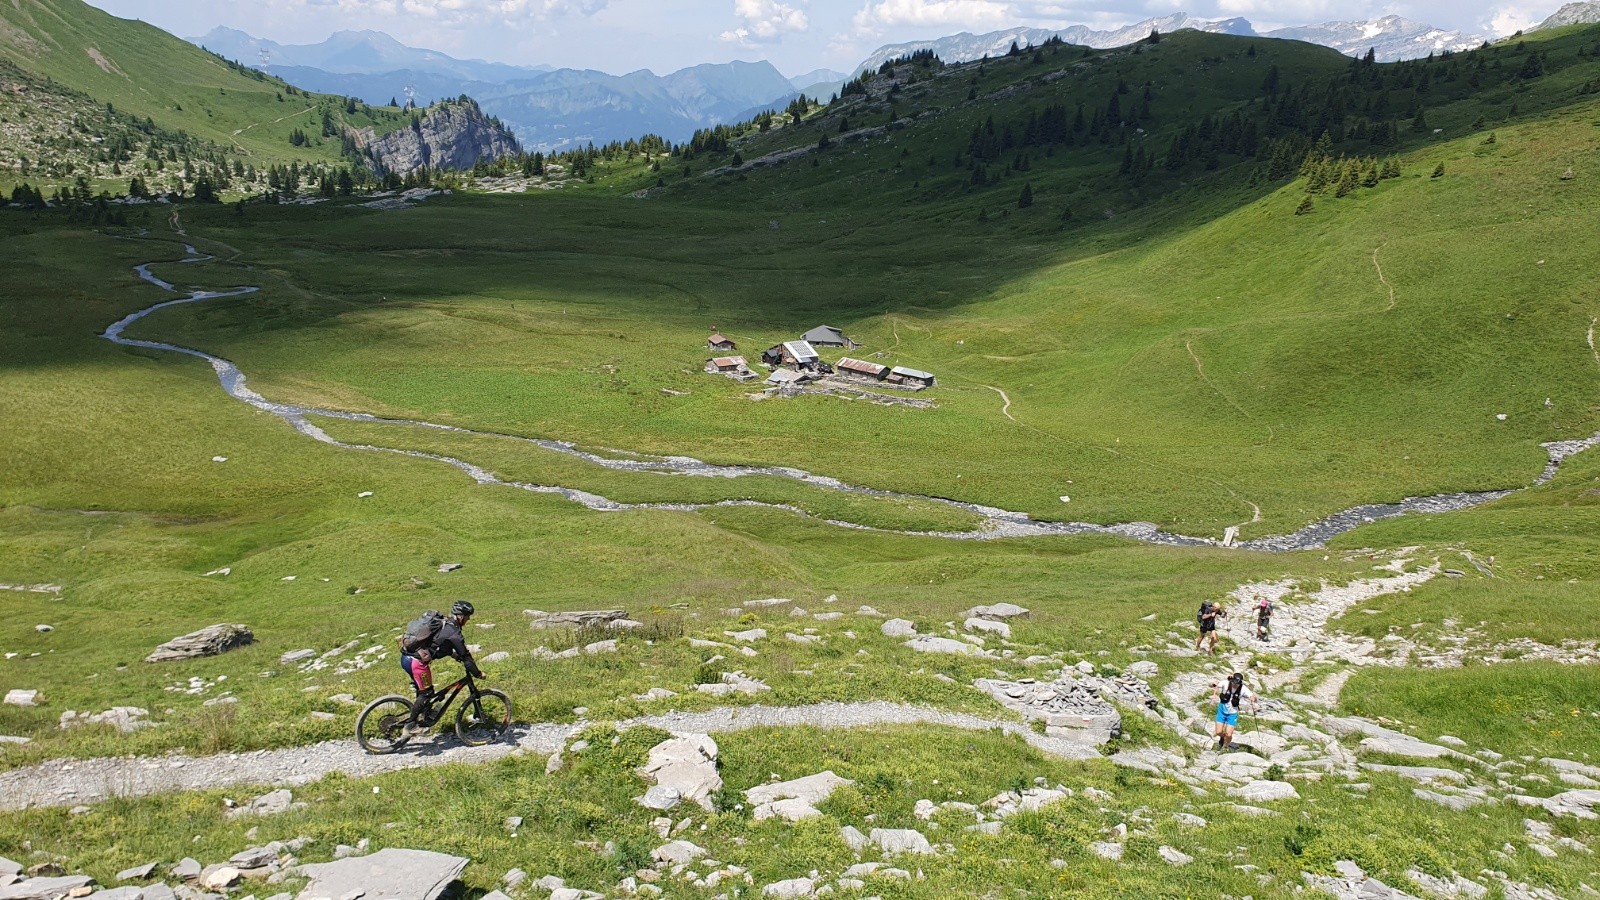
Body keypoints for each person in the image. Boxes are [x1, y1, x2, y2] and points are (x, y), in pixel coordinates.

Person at [399, 600, 486, 734]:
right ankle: (410, 726)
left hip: (407, 658)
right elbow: (466, 657)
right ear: (461, 616)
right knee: (426, 694)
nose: (468, 620)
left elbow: (439, 644)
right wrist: (478, 673)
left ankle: (423, 715)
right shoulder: (454, 632)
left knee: (428, 691)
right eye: (467, 617)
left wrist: (454, 656)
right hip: (416, 663)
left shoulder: (445, 623)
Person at [1213, 671, 1257, 750]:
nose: (1235, 685)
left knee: (1229, 734)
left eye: (1237, 683)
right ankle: (1222, 738)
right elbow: (1212, 684)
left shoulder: (1243, 689)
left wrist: (1253, 698)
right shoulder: (1225, 683)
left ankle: (1225, 747)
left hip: (1232, 713)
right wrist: (1213, 683)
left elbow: (1253, 696)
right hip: (1222, 711)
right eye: (1234, 683)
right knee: (1218, 732)